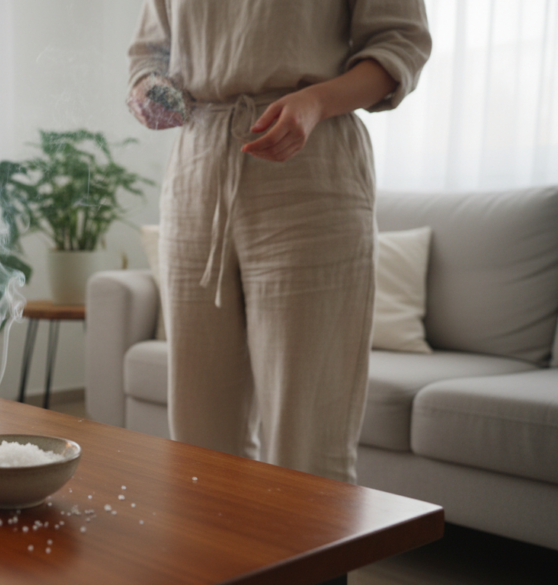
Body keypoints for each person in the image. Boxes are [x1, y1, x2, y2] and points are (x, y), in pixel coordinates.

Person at [126, 0, 431, 483]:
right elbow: (149, 55)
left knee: (307, 437)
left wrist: (315, 102)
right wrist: (148, 88)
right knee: (198, 441)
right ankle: (217, 561)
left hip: (310, 166)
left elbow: (402, 42)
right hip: (196, 169)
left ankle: (314, 559)